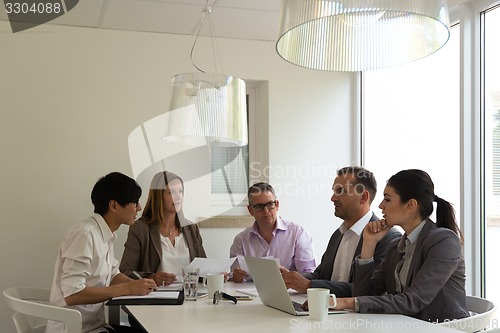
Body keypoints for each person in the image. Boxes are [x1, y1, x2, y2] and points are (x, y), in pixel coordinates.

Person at [333, 169, 469, 323]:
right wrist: (369, 244)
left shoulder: (444, 242)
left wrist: (344, 302)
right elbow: (364, 296)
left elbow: (414, 300)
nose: (380, 205)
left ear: (410, 205)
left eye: (387, 199)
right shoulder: (395, 247)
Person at [46, 172, 156, 333]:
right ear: (114, 206)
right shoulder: (84, 234)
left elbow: (113, 275)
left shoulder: (105, 234)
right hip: (74, 329)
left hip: (95, 326)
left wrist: (144, 286)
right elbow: (73, 295)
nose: (139, 207)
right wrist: (128, 288)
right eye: (135, 202)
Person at [281, 166, 401, 297]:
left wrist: (310, 286)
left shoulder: (388, 238)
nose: (333, 198)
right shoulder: (338, 234)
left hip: (358, 316)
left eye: (340, 191)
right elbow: (320, 276)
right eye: (334, 191)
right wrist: (291, 278)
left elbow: (368, 290)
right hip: (330, 312)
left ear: (363, 197)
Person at [120, 171, 206, 286]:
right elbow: (126, 272)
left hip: (189, 296)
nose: (178, 197)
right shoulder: (140, 229)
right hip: (154, 297)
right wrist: (152, 277)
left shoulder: (191, 229)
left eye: (180, 191)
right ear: (158, 196)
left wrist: (217, 276)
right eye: (171, 192)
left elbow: (204, 270)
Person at [229, 182, 316, 282]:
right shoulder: (241, 241)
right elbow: (234, 275)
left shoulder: (298, 234)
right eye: (259, 206)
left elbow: (310, 273)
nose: (266, 211)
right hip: (251, 296)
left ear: (277, 205)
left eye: (270, 204)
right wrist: (235, 277)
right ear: (250, 210)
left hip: (290, 294)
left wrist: (290, 276)